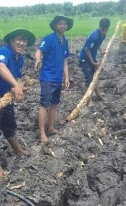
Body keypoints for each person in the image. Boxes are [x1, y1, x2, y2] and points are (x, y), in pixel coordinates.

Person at [0, 28, 35, 178]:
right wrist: (16, 86)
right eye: (19, 39)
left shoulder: (20, 59)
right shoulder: (2, 52)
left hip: (5, 98)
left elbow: (16, 77)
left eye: (24, 41)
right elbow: (0, 67)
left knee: (10, 126)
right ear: (11, 40)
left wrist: (21, 85)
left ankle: (18, 150)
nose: (21, 43)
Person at [34, 15, 73, 143]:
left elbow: (65, 61)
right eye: (60, 23)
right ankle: (42, 133)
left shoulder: (65, 41)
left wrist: (66, 77)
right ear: (55, 25)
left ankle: (50, 127)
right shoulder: (49, 39)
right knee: (44, 105)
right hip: (47, 77)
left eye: (64, 24)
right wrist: (38, 59)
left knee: (54, 104)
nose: (62, 26)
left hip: (58, 79)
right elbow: (39, 51)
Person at [79, 18, 110, 106]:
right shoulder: (94, 36)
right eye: (103, 30)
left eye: (106, 30)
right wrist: (93, 62)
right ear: (100, 27)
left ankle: (97, 94)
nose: (105, 32)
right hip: (85, 59)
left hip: (92, 57)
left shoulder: (102, 35)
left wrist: (101, 51)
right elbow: (87, 50)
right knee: (89, 79)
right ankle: (89, 99)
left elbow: (98, 44)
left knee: (95, 77)